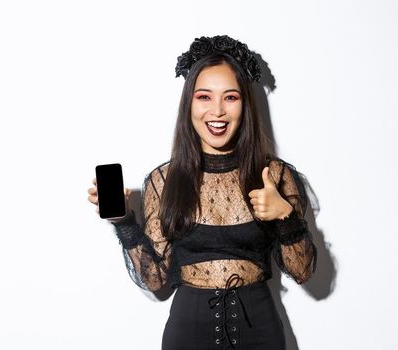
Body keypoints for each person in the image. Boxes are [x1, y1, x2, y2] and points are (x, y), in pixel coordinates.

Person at [86, 35, 317, 350]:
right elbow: (154, 279)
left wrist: (285, 216)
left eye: (231, 97)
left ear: (245, 104)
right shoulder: (163, 181)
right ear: (189, 104)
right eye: (204, 97)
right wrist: (124, 222)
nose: (218, 111)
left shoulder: (274, 176)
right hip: (187, 335)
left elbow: (303, 272)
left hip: (261, 334)